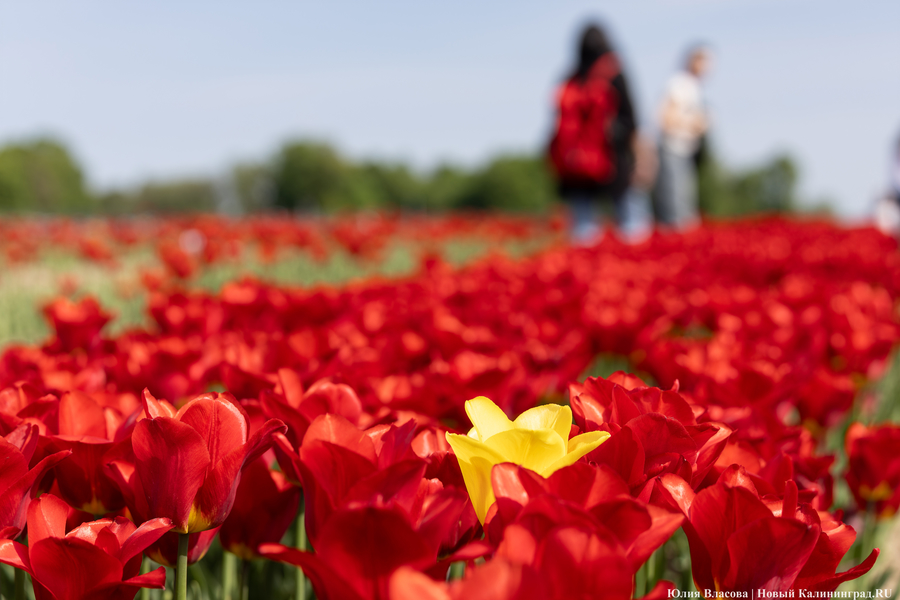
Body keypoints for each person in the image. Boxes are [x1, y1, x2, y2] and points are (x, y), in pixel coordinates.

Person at [549, 23, 649, 244]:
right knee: (632, 227)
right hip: (612, 158)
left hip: (575, 166)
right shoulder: (614, 73)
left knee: (583, 233)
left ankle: (585, 274)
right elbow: (631, 119)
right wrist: (640, 157)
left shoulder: (569, 79)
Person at [655, 44, 712, 229]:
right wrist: (694, 123)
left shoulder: (694, 87)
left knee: (685, 199)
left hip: (685, 150)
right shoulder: (680, 84)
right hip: (673, 149)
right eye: (706, 62)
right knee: (676, 203)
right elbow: (665, 118)